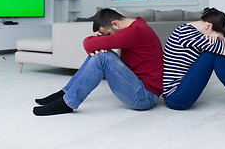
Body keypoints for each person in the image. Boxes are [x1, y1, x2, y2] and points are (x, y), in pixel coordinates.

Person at [33, 8, 163, 116]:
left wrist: (94, 42)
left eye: (107, 34)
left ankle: (68, 103)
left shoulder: (134, 32)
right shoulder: (137, 25)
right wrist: (98, 44)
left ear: (115, 24)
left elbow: (88, 44)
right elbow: (93, 46)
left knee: (102, 56)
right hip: (138, 85)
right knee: (101, 52)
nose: (107, 37)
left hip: (145, 97)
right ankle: (66, 93)